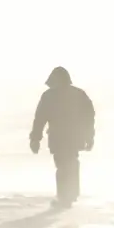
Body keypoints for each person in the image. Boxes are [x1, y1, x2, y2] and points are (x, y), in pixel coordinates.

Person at [29, 66, 95, 206]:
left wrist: (35, 139)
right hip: (75, 137)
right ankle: (71, 194)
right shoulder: (78, 94)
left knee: (63, 166)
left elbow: (40, 118)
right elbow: (89, 117)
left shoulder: (49, 96)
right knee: (71, 163)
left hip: (58, 138)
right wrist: (89, 137)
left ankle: (65, 197)